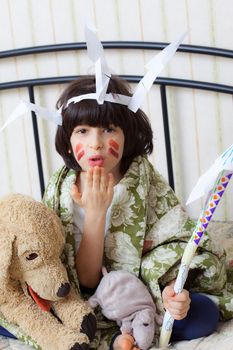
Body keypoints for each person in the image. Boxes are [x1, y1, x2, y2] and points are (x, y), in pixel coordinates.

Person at [43, 74, 230, 350]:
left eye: (108, 129)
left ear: (126, 134)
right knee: (20, 311)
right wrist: (95, 214)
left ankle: (133, 328)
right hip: (88, 296)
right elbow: (83, 280)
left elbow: (176, 239)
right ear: (68, 140)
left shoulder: (144, 180)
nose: (96, 143)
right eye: (82, 131)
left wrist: (170, 292)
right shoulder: (61, 190)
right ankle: (117, 334)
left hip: (142, 296)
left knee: (202, 315)